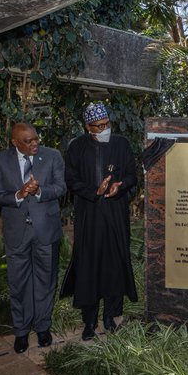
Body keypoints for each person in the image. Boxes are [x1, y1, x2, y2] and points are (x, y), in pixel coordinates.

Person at [61, 102, 138, 340]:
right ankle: (89, 320)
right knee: (89, 265)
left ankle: (110, 316)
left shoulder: (121, 144)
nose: (104, 129)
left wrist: (120, 185)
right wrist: (94, 191)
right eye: (99, 126)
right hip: (89, 215)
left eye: (107, 124)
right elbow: (71, 180)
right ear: (87, 127)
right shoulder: (77, 147)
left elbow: (132, 175)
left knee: (113, 265)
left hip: (115, 214)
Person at [0, 123, 66, 353]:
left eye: (36, 139)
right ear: (14, 142)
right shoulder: (0, 160)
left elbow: (61, 187)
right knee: (19, 282)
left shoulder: (52, 156)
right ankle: (21, 331)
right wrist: (19, 194)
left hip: (45, 229)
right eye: (27, 141)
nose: (34, 144)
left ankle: (43, 327)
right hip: (16, 232)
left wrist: (39, 191)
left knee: (45, 280)